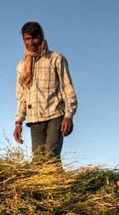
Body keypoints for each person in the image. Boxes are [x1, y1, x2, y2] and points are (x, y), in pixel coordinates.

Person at [13, 21, 78, 161]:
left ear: (41, 37)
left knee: (51, 156)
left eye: (35, 38)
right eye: (27, 39)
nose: (32, 42)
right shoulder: (21, 66)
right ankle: (59, 183)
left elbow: (67, 88)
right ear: (23, 40)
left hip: (55, 115)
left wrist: (68, 115)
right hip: (35, 119)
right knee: (39, 162)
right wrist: (18, 122)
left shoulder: (56, 59)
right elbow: (21, 96)